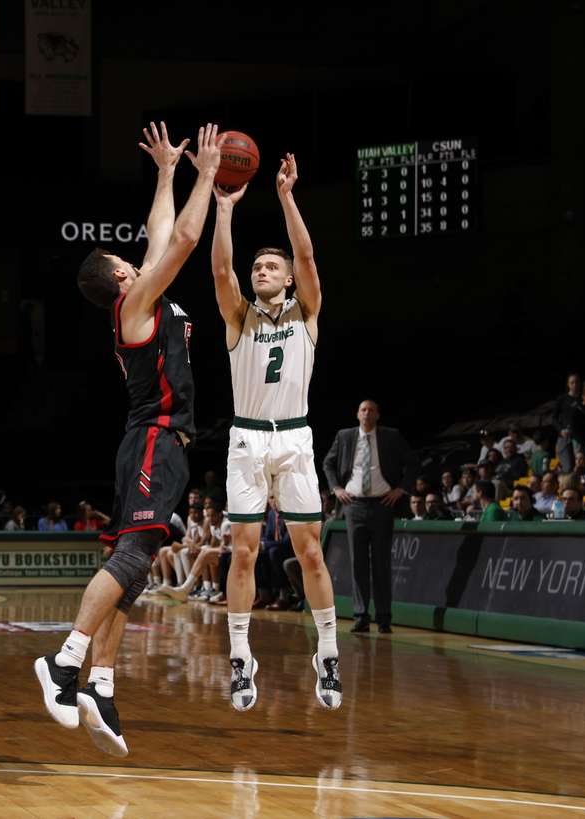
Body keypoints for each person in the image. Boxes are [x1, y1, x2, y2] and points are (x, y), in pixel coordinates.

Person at [34, 121, 223, 757]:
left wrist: (167, 173)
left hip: (159, 443)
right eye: (126, 261)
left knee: (134, 569)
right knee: (132, 561)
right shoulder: (134, 304)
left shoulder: (143, 299)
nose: (136, 258)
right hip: (154, 440)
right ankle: (64, 664)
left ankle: (102, 687)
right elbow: (187, 237)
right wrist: (206, 172)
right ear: (118, 277)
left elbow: (162, 234)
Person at [213, 150, 343, 711]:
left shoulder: (306, 313)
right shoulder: (239, 317)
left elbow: (308, 255)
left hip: (294, 437)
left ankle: (329, 654)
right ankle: (241, 658)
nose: (259, 271)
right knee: (242, 553)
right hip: (247, 438)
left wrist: (287, 197)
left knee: (310, 553)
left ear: (287, 280)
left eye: (270, 268)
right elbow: (221, 270)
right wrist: (223, 210)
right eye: (257, 267)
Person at [323, 400, 418, 636]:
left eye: (371, 410)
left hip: (383, 504)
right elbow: (328, 463)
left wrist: (401, 489)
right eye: (363, 410)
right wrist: (336, 488)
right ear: (357, 414)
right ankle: (361, 616)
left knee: (381, 563)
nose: (367, 413)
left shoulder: (391, 436)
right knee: (358, 564)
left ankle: (384, 618)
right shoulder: (345, 436)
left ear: (378, 415)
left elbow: (413, 462)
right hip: (353, 505)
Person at [553, 373, 583, 473]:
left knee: (580, 465)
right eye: (572, 382)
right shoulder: (562, 399)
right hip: (564, 436)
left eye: (577, 382)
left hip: (579, 437)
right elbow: (554, 418)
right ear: (568, 384)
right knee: (567, 466)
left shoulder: (582, 399)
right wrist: (561, 430)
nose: (575, 385)